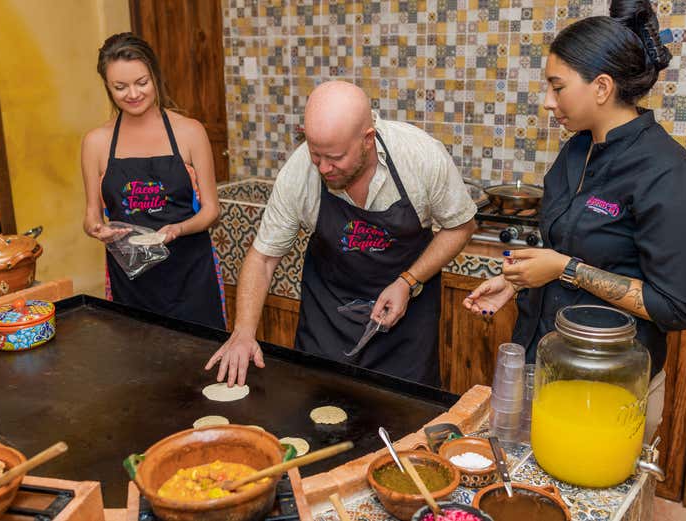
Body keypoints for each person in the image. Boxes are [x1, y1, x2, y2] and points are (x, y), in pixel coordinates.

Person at [463, 0, 686, 441]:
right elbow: (570, 244)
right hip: (541, 360)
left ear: (601, 87)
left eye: (557, 87)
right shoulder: (576, 151)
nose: (547, 102)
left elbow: (676, 308)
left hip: (608, 383)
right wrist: (521, 279)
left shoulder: (667, 174)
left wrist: (566, 270)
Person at [206, 81, 477, 387]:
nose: (323, 168)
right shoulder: (299, 173)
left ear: (368, 139)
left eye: (334, 157)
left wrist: (408, 280)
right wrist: (243, 332)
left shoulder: (421, 157)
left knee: (407, 419)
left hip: (406, 324)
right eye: (315, 154)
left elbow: (461, 226)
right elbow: (264, 257)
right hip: (329, 319)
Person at [81, 32, 226, 328]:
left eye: (141, 82)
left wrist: (178, 229)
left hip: (191, 276)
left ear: (155, 77)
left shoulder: (189, 132)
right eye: (120, 87)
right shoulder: (96, 142)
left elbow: (212, 210)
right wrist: (98, 230)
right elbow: (91, 216)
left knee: (199, 365)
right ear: (107, 87)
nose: (133, 94)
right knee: (137, 365)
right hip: (131, 282)